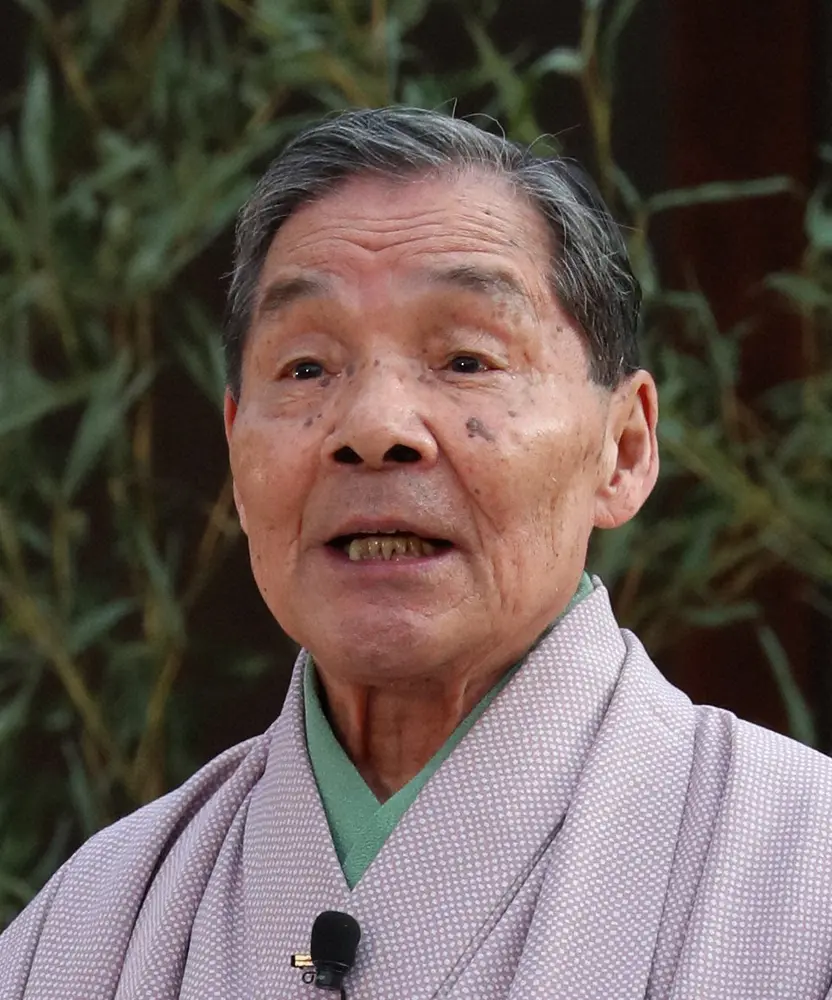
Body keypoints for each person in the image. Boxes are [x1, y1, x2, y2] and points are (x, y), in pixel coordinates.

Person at [2, 106, 832, 1000]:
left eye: (467, 360)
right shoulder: (88, 930)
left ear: (623, 448)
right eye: (307, 368)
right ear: (237, 456)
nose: (373, 427)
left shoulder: (801, 879)